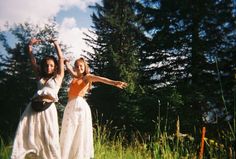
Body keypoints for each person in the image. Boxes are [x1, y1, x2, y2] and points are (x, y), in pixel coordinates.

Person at [60, 57, 128, 159]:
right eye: (77, 66)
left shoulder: (87, 77)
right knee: (68, 130)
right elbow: (69, 68)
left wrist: (114, 83)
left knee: (78, 132)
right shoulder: (74, 76)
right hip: (70, 105)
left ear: (84, 67)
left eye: (81, 66)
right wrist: (65, 62)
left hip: (78, 105)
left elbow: (100, 79)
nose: (79, 68)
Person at [11, 38, 64, 159]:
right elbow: (33, 61)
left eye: (51, 65)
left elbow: (61, 59)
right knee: (25, 133)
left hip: (48, 109)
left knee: (49, 136)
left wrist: (56, 44)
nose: (48, 67)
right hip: (32, 108)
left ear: (55, 67)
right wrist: (30, 46)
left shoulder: (58, 77)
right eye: (46, 65)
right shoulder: (40, 76)